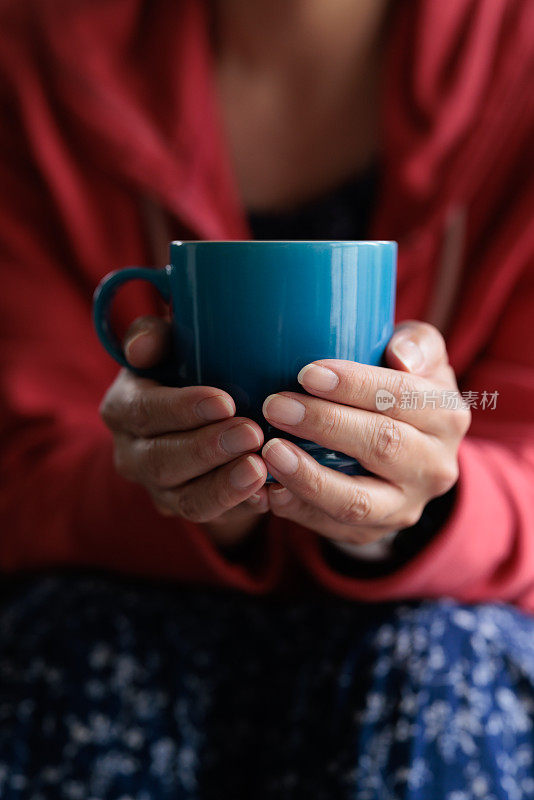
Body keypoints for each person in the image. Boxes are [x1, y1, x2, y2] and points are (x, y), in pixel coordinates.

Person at [0, 0, 533, 797]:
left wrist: (415, 513)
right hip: (133, 593)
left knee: (440, 668)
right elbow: (22, 468)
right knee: (75, 646)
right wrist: (174, 478)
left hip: (435, 622)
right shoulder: (38, 52)